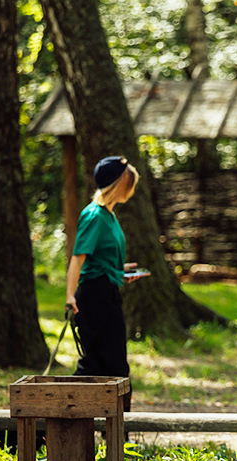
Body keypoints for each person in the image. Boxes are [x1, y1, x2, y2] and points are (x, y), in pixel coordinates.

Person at [66, 156, 147, 385]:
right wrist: (70, 296)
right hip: (94, 297)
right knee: (98, 365)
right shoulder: (94, 216)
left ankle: (114, 418)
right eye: (128, 182)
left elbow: (98, 258)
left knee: (113, 364)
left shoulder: (108, 215)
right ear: (117, 184)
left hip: (107, 291)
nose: (131, 188)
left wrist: (118, 270)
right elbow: (78, 258)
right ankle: (68, 412)